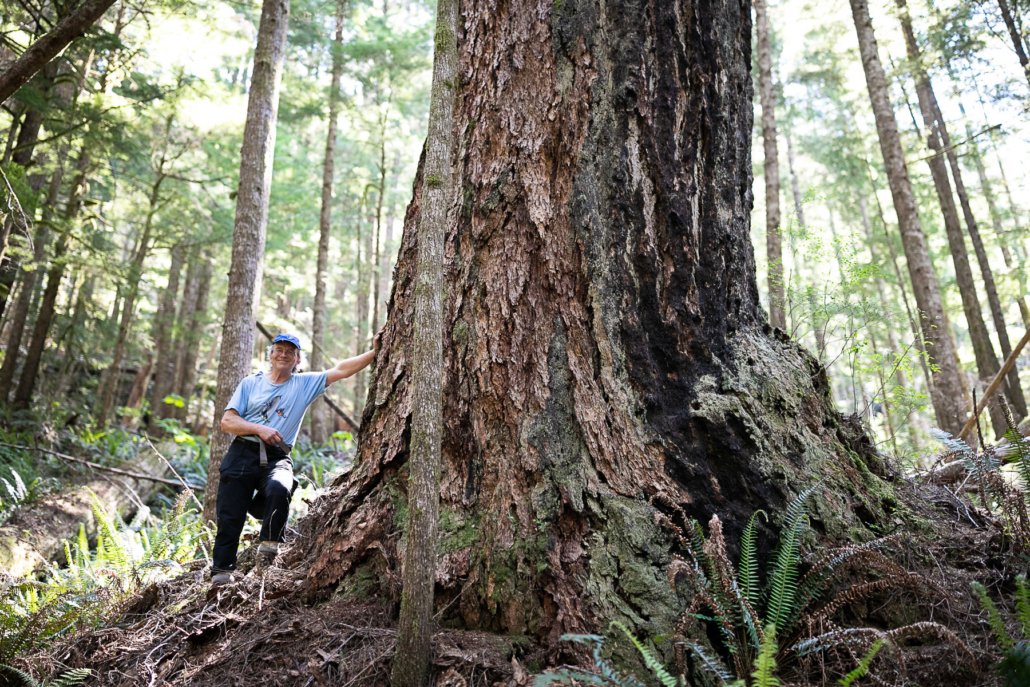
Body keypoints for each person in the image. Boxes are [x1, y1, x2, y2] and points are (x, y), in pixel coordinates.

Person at [210, 331, 381, 586]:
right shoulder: (250, 383)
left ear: (297, 360)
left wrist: (375, 352)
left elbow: (341, 370)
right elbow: (227, 422)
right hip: (242, 453)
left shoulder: (303, 384)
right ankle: (222, 573)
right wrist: (259, 428)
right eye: (279, 350)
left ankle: (268, 549)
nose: (283, 355)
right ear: (271, 355)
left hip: (277, 456)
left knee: (281, 486)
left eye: (290, 352)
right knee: (230, 515)